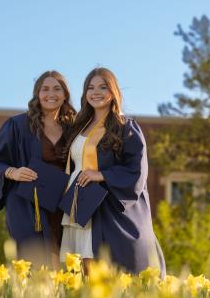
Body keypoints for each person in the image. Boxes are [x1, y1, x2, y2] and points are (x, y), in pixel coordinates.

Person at [60, 67, 165, 276]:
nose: (95, 92)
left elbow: (137, 169)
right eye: (90, 87)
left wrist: (102, 175)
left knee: (98, 260)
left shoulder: (125, 126)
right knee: (78, 263)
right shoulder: (80, 126)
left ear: (113, 91)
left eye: (102, 86)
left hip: (102, 202)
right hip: (77, 202)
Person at [0, 70, 75, 269]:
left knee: (63, 267)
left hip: (62, 206)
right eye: (45, 89)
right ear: (37, 94)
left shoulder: (74, 129)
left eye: (57, 89)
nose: (51, 94)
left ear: (65, 94)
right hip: (28, 205)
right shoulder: (17, 125)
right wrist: (13, 172)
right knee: (32, 266)